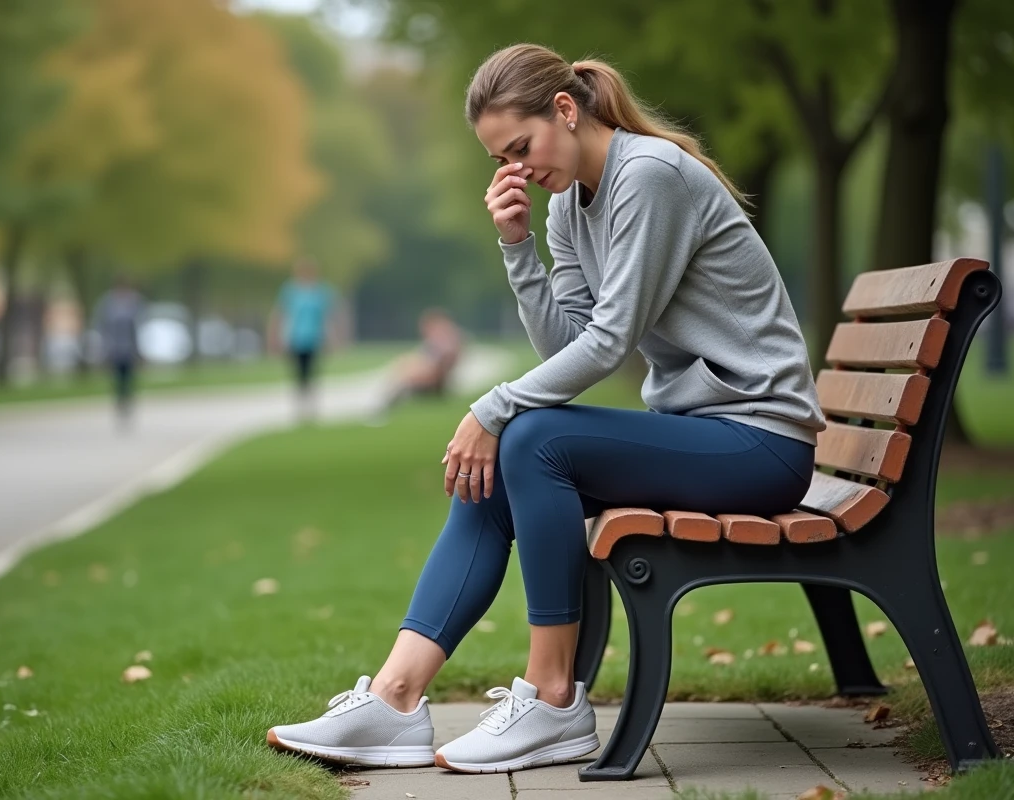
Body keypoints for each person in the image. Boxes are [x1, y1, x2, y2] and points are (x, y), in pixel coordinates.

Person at [266, 44, 825, 774]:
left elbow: (610, 339)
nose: (518, 170)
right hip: (702, 436)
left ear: (566, 109)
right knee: (500, 463)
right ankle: (397, 699)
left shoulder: (648, 176)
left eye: (522, 147)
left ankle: (555, 699)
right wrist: (516, 247)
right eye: (502, 158)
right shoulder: (567, 205)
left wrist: (492, 406)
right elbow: (568, 345)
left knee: (531, 438)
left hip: (761, 443)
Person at [268, 257, 339, 423]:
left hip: (314, 338)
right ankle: (301, 406)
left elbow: (329, 316)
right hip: (296, 337)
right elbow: (280, 314)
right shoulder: (290, 291)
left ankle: (310, 406)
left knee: (312, 370)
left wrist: (333, 338)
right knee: (299, 371)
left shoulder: (321, 292)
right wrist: (274, 337)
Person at [374, 308, 464, 420]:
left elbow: (438, 363)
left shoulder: (444, 341)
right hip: (430, 375)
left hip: (435, 379)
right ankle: (384, 409)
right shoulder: (438, 341)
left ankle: (383, 411)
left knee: (403, 380)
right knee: (402, 371)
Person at [94, 274, 144, 427]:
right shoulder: (108, 303)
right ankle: (119, 402)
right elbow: (102, 326)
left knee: (128, 378)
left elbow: (138, 327)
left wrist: (139, 350)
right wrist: (103, 347)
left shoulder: (134, 303)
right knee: (117, 378)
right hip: (114, 349)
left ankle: (127, 401)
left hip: (129, 348)